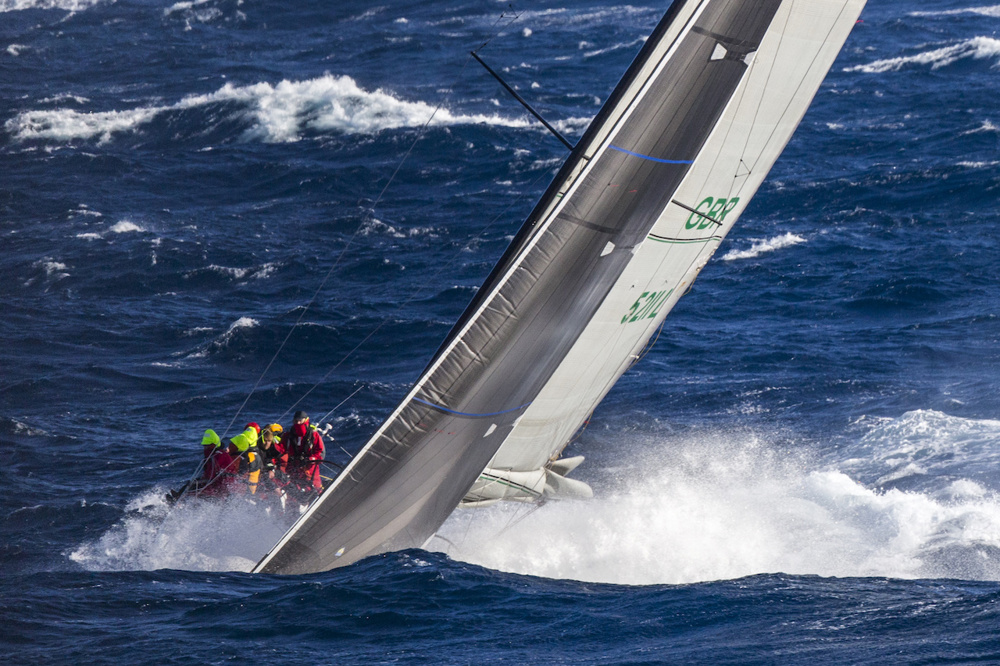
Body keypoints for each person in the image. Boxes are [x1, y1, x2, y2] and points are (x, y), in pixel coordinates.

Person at [281, 410, 325, 499]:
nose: (298, 422)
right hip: (293, 469)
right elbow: (281, 451)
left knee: (316, 492)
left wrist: (311, 459)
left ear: (305, 420)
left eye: (300, 420)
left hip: (310, 470)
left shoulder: (313, 435)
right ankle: (293, 512)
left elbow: (321, 453)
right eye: (296, 420)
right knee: (293, 495)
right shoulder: (288, 436)